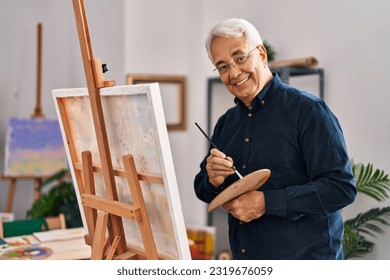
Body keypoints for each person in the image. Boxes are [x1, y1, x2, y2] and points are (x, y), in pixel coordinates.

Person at [194, 18, 356, 260]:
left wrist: (267, 203)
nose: (234, 73)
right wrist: (213, 180)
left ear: (261, 53)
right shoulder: (226, 123)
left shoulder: (309, 111)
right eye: (223, 66)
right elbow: (202, 188)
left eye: (240, 58)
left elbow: (340, 188)